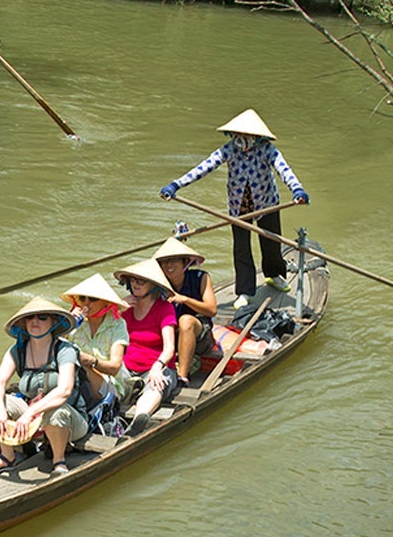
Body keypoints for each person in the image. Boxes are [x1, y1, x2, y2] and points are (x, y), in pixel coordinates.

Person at [159, 109, 309, 309]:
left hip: (267, 203)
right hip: (239, 208)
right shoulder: (229, 150)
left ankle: (274, 275)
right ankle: (245, 291)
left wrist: (297, 190)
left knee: (271, 242)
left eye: (247, 136)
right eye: (239, 135)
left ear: (257, 137)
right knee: (241, 249)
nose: (242, 140)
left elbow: (284, 170)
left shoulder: (267, 150)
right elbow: (203, 168)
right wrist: (175, 185)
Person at [0, 298, 88, 477]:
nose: (35, 321)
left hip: (70, 420)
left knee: (56, 412)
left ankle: (58, 460)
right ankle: (7, 457)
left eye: (42, 317)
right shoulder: (18, 350)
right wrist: (0, 411)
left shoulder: (64, 350)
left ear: (53, 322)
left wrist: (29, 413)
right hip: (34, 416)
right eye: (30, 318)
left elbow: (64, 391)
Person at [114, 258, 178, 435]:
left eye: (142, 280)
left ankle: (139, 419)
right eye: (133, 279)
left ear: (153, 285)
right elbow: (102, 332)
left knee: (157, 384)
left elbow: (169, 348)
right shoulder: (125, 308)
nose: (136, 284)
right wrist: (117, 308)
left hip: (157, 367)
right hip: (128, 367)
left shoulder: (164, 308)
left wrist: (157, 367)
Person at [152, 236, 218, 388]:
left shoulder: (201, 277)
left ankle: (182, 376)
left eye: (174, 260)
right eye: (165, 261)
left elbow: (212, 310)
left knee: (186, 320)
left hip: (199, 332)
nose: (169, 265)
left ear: (184, 263)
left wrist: (185, 300)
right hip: (169, 336)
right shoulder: (159, 286)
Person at [60, 274, 131, 403]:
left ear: (105, 302)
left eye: (92, 299)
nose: (86, 304)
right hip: (74, 379)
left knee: (78, 368)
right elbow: (52, 347)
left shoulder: (117, 325)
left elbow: (114, 368)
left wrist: (91, 361)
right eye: (83, 299)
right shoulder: (77, 323)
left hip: (108, 385)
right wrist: (66, 325)